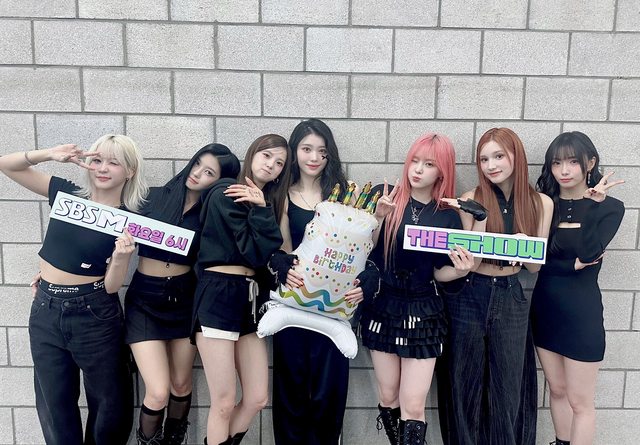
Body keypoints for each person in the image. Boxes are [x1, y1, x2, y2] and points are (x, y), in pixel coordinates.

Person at [0, 135, 147, 445]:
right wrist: (49, 153)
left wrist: (122, 257)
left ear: (130, 171)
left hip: (94, 311)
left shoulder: (128, 219)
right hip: (45, 308)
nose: (102, 168)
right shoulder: (67, 195)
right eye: (97, 160)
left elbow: (111, 286)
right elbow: (7, 165)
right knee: (53, 400)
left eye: (113, 162)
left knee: (108, 400)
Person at [360, 133, 479, 445]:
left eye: (429, 164)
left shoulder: (447, 215)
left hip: (424, 311)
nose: (418, 169)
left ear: (442, 171)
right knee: (388, 395)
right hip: (383, 306)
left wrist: (462, 269)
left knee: (413, 404)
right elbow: (363, 251)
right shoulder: (385, 196)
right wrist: (377, 218)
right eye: (415, 161)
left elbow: (440, 272)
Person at [269, 118, 378, 445]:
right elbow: (284, 248)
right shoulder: (282, 195)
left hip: (335, 311)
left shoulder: (346, 196)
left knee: (328, 398)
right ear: (294, 152)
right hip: (294, 307)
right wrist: (281, 263)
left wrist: (367, 279)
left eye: (322, 151)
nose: (314, 157)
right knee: (291, 395)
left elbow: (365, 248)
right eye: (306, 149)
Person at [443, 127, 553, 445]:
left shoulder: (541, 203)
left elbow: (534, 267)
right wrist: (479, 224)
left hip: (510, 294)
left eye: (499, 156)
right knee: (465, 383)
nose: (491, 165)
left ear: (516, 156)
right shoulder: (471, 199)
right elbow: (470, 261)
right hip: (470, 291)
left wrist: (524, 244)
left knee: (508, 387)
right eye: (484, 159)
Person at [125, 144, 241, 445]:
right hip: (144, 299)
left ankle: (173, 439)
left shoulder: (211, 212)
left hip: (184, 298)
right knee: (157, 391)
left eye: (209, 172)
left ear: (219, 181)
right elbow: (108, 225)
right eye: (197, 163)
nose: (197, 173)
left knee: (180, 384)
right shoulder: (153, 197)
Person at [192, 135, 290, 445]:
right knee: (223, 402)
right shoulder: (226, 191)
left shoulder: (262, 202)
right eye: (267, 155)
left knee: (258, 397)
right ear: (252, 153)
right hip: (219, 294)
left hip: (249, 298)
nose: (271, 165)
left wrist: (262, 207)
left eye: (279, 163)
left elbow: (266, 254)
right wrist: (261, 210)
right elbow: (255, 252)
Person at [532, 132, 624, 445]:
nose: (564, 170)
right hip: (545, 309)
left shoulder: (611, 208)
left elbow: (589, 253)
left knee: (580, 401)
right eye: (557, 163)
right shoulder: (543, 205)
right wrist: (567, 266)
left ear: (590, 163)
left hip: (582, 314)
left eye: (573, 162)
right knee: (557, 390)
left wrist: (592, 206)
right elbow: (533, 261)